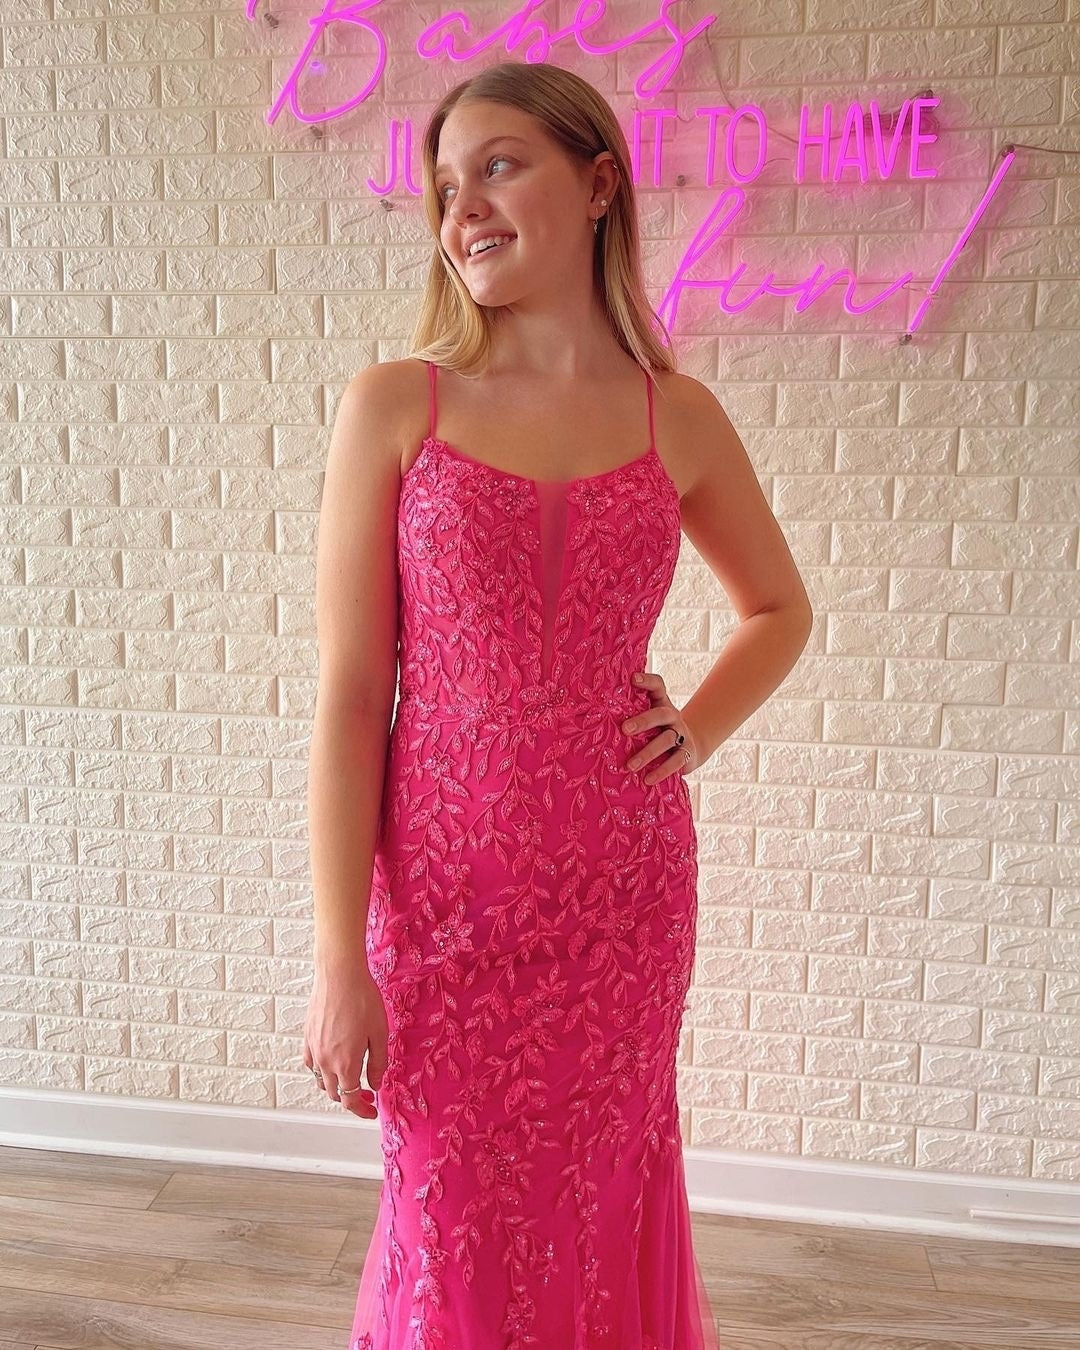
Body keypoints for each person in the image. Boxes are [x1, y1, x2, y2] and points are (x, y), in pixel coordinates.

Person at [305, 60, 812, 1350]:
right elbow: (354, 700)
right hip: (442, 898)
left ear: (597, 187)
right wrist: (338, 959)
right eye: (443, 187)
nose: (462, 207)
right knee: (449, 1217)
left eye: (497, 166)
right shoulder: (396, 406)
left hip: (623, 897)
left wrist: (696, 726)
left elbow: (779, 610)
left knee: (600, 1201)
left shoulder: (678, 417)